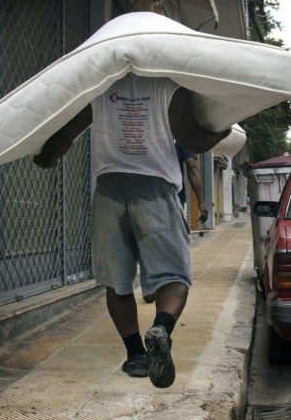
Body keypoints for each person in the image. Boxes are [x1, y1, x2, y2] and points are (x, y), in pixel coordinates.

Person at [33, 74, 230, 388]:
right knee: (175, 278)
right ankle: (161, 329)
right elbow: (191, 141)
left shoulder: (99, 85)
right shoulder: (168, 87)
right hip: (155, 190)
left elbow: (68, 132)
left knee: (117, 282)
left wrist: (47, 155)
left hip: (109, 190)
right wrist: (223, 130)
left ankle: (136, 354)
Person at [142, 140, 207, 304]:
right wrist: (201, 202)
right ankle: (169, 286)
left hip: (143, 197)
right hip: (174, 200)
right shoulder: (180, 136)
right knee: (174, 245)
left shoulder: (147, 132)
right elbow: (192, 166)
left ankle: (151, 286)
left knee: (148, 242)